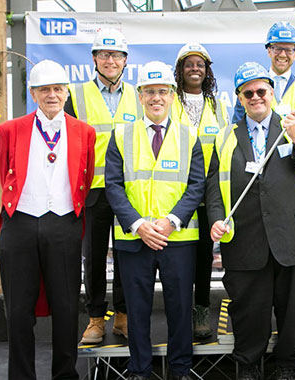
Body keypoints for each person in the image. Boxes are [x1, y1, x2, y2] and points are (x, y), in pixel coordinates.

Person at [207, 62, 295, 380]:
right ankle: (248, 365)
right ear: (239, 99)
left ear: (272, 94)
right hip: (245, 239)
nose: (255, 97)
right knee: (248, 310)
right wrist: (217, 220)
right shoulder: (226, 137)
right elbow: (215, 187)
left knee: (291, 310)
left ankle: (287, 365)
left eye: (262, 91)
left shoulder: (292, 128)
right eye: (248, 93)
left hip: (291, 239)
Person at [104, 61, 205, 380]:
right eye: (150, 91)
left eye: (162, 91)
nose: (156, 97)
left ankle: (180, 369)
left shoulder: (189, 136)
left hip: (177, 239)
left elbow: (197, 184)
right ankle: (139, 370)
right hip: (135, 239)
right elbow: (113, 184)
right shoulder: (121, 135)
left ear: (173, 96)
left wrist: (171, 221)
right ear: (139, 95)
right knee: (137, 311)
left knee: (179, 309)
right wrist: (138, 224)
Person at [0, 59, 96, 380]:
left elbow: (87, 175)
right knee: (18, 312)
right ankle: (21, 376)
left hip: (64, 223)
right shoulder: (10, 130)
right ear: (33, 93)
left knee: (66, 307)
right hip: (21, 222)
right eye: (44, 90)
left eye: (57, 89)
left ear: (66, 92)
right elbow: (4, 173)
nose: (52, 95)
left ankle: (65, 374)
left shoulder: (85, 132)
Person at [64, 28, 140, 344]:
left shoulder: (140, 94)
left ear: (125, 60)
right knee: (93, 256)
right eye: (104, 55)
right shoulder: (76, 94)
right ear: (94, 58)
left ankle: (122, 316)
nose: (111, 60)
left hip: (128, 188)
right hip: (92, 188)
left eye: (117, 55)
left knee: (127, 253)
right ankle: (96, 319)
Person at [172, 42, 229, 339]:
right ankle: (179, 310)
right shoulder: (168, 101)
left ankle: (201, 308)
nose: (195, 69)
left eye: (200, 64)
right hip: (176, 193)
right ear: (180, 70)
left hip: (209, 192)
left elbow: (226, 148)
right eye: (189, 64)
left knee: (205, 255)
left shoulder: (218, 107)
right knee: (179, 254)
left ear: (207, 71)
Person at [232, 21, 295, 138]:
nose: (282, 55)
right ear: (269, 51)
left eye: (288, 50)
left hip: (292, 154)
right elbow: (238, 129)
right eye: (277, 48)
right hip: (254, 153)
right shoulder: (249, 86)